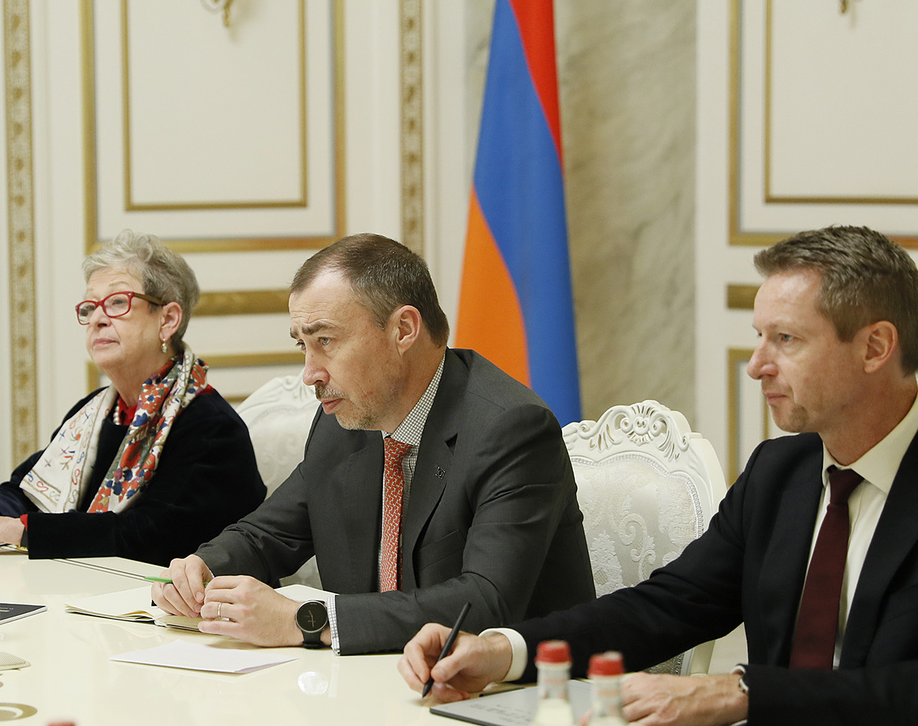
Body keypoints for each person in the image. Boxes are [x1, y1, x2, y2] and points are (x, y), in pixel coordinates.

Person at [401, 225, 918, 726]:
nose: (756, 366)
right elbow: (665, 608)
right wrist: (505, 649)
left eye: (786, 340)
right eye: (759, 336)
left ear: (875, 346)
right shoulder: (781, 472)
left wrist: (738, 692)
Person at [153, 233, 595, 655]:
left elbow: (485, 603)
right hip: (371, 680)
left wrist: (306, 620)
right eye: (303, 345)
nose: (310, 374)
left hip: (512, 690)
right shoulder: (344, 424)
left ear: (403, 329)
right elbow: (266, 535)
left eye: (325, 341)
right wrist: (203, 569)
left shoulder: (511, 429)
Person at [0, 230, 266, 567]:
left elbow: (148, 536)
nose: (97, 319)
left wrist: (15, 531)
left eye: (117, 302)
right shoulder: (96, 412)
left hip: (187, 597)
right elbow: (28, 491)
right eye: (90, 307)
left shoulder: (211, 427)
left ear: (167, 320)